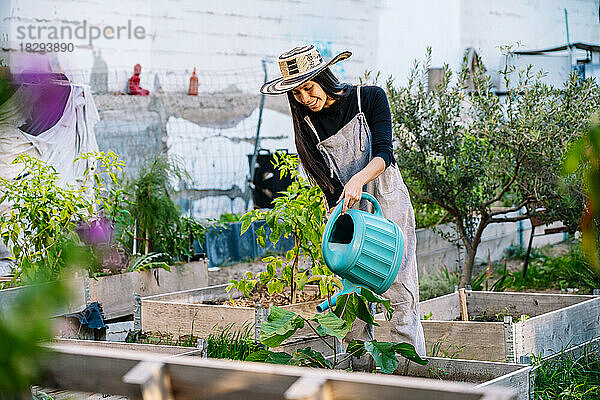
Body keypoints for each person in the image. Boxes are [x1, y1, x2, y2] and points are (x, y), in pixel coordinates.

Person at [260, 45, 426, 357]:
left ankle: (414, 373)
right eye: (296, 94)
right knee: (353, 296)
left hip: (387, 202)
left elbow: (385, 154)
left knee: (400, 287)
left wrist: (358, 180)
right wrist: (341, 203)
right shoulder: (307, 124)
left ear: (323, 76)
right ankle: (359, 375)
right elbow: (328, 182)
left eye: (308, 88)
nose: (306, 99)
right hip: (347, 209)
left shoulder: (370, 98)